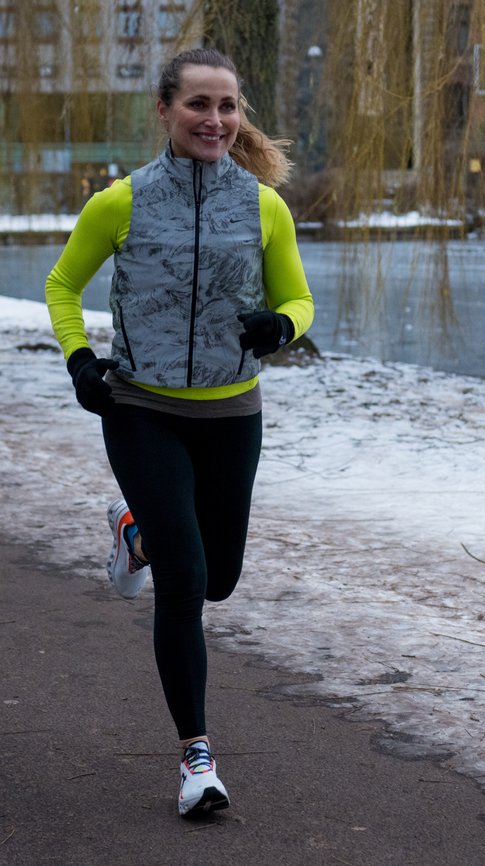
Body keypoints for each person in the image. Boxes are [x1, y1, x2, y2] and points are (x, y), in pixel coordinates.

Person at [45, 47, 314, 817]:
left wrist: (281, 327)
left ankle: (135, 533)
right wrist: (80, 361)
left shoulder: (264, 207)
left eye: (227, 106)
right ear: (165, 109)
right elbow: (62, 285)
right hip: (142, 410)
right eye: (199, 103)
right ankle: (197, 759)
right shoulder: (120, 203)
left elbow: (299, 301)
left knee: (219, 578)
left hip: (232, 414)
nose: (215, 119)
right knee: (187, 582)